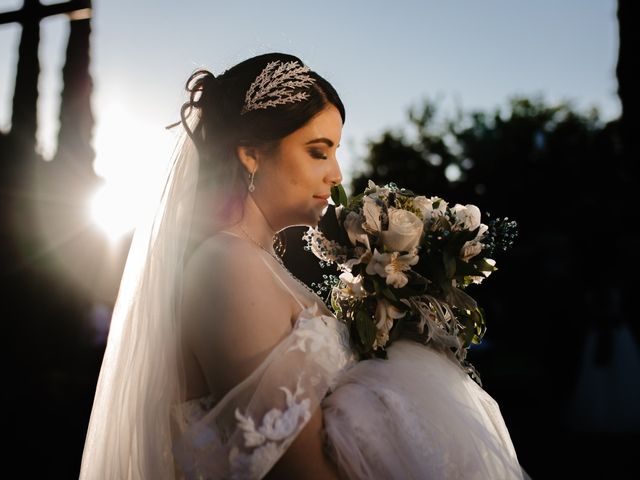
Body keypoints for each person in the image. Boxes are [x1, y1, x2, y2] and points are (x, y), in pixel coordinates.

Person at [80, 52, 531, 479]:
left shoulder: (256, 262)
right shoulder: (226, 265)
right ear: (251, 153)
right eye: (319, 151)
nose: (336, 174)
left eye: (335, 151)